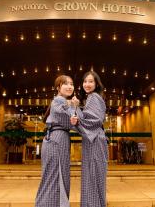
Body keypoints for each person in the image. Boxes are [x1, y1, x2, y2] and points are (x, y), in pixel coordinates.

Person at [35, 75, 75, 207]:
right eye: (66, 84)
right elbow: (69, 121)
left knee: (55, 176)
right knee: (55, 177)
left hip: (55, 139)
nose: (70, 86)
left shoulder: (61, 101)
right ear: (58, 87)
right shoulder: (59, 101)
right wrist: (75, 108)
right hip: (57, 140)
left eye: (71, 84)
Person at [71, 71, 108, 207]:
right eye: (85, 81)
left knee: (92, 176)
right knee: (94, 176)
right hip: (95, 139)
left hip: (95, 140)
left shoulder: (93, 97)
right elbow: (89, 119)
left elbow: (93, 121)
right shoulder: (93, 97)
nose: (87, 84)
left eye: (91, 81)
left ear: (96, 83)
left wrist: (74, 108)